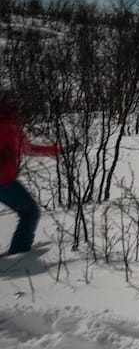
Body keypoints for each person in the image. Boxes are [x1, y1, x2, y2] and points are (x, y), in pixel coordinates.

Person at [0, 97, 58, 256]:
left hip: (6, 182)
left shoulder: (12, 129)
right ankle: (20, 253)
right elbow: (29, 149)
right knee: (30, 213)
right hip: (5, 183)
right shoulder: (12, 129)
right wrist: (57, 151)